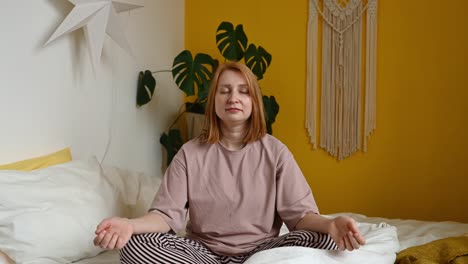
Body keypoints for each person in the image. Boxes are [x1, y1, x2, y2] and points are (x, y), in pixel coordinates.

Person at [93, 62, 366, 263]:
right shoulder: (189, 153)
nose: (233, 98)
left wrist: (331, 224)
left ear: (253, 102)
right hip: (203, 255)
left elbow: (300, 217)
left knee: (321, 239)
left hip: (261, 254)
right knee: (137, 247)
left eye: (243, 91)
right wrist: (130, 225)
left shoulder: (276, 152)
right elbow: (165, 217)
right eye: (224, 91)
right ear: (214, 102)